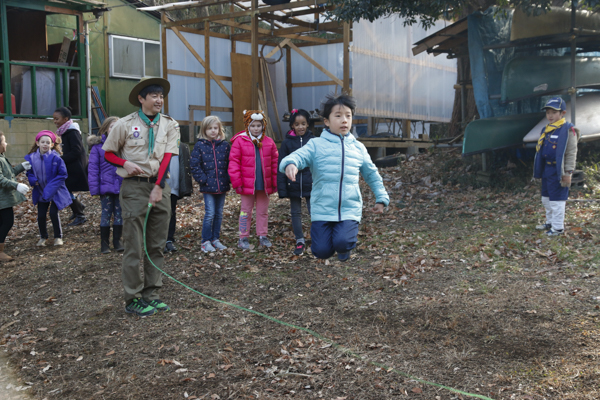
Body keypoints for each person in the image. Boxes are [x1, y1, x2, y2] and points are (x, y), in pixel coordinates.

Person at [102, 77, 180, 317]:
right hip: (134, 188)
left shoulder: (169, 124)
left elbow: (167, 156)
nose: (159, 100)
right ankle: (133, 298)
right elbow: (108, 153)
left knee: (156, 244)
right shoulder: (124, 124)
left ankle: (151, 294)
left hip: (160, 187)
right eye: (154, 96)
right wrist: (125, 162)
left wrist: (158, 186)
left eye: (161, 96)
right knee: (134, 246)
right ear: (141, 99)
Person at [280, 93, 389, 261]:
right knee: (321, 251)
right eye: (338, 116)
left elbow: (372, 174)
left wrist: (381, 198)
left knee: (342, 242)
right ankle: (332, 246)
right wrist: (291, 164)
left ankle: (344, 248)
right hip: (322, 209)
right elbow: (299, 156)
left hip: (349, 208)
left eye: (348, 116)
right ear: (326, 121)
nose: (344, 120)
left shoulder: (358, 148)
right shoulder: (316, 145)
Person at [228, 110, 278, 250]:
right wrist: (236, 182)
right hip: (246, 185)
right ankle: (243, 237)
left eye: (258, 125)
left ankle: (262, 235)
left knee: (263, 211)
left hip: (264, 184)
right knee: (245, 211)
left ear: (263, 126)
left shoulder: (269, 142)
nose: (256, 128)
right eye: (253, 125)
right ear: (247, 126)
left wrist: (275, 182)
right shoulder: (240, 141)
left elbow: (274, 163)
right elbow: (234, 163)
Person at [533, 97, 580, 236]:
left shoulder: (568, 129)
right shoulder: (546, 129)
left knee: (557, 199)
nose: (550, 115)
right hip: (547, 169)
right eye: (548, 112)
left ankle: (558, 228)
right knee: (546, 198)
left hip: (559, 170)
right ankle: (550, 222)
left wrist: (568, 172)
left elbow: (571, 153)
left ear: (562, 113)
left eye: (554, 112)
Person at [25, 131, 72, 247]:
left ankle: (58, 237)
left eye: (48, 142)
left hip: (56, 191)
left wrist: (50, 188)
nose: (45, 144)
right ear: (37, 143)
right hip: (41, 191)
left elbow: (62, 174)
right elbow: (29, 172)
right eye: (42, 142)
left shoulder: (56, 158)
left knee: (53, 213)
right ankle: (43, 237)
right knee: (41, 215)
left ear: (52, 144)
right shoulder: (31, 158)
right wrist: (32, 180)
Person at [190, 115, 230, 253]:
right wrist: (203, 180)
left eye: (215, 128)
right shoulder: (200, 145)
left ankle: (215, 239)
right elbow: (194, 165)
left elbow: (230, 164)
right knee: (210, 213)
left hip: (222, 185)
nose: (213, 131)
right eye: (210, 128)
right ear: (204, 130)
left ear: (219, 129)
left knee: (219, 213)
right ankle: (205, 241)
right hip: (208, 187)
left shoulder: (224, 146)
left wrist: (228, 178)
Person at [277, 109, 314, 256]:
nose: (301, 127)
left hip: (311, 184)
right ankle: (300, 240)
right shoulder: (286, 143)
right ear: (292, 125)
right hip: (292, 184)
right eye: (297, 124)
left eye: (303, 124)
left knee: (315, 213)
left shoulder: (313, 141)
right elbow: (281, 166)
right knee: (296, 213)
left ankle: (317, 238)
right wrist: (282, 188)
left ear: (307, 124)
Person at [88, 116, 124, 254]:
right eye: (111, 127)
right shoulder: (98, 148)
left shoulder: (124, 145)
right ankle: (104, 243)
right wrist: (95, 188)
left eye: (117, 127)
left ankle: (117, 241)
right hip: (105, 187)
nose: (114, 129)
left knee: (119, 213)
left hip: (121, 186)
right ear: (105, 129)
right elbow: (93, 169)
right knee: (106, 214)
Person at [53, 107, 88, 226]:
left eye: (57, 119)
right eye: (54, 119)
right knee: (67, 188)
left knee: (66, 188)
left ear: (66, 119)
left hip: (75, 166)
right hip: (71, 165)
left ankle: (80, 214)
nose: (55, 121)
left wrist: (60, 159)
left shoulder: (72, 132)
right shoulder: (66, 131)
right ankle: (78, 207)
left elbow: (76, 151)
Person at [0, 131, 31, 261]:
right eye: (3, 141)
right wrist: (16, 185)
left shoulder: (1, 157)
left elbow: (9, 172)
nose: (6, 143)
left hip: (3, 199)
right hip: (2, 200)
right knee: (7, 222)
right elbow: (1, 179)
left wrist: (22, 166)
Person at [164, 140, 193, 253]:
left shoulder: (181, 147)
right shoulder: (159, 144)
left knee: (171, 212)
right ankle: (160, 240)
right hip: (161, 186)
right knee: (160, 213)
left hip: (174, 186)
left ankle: (169, 239)